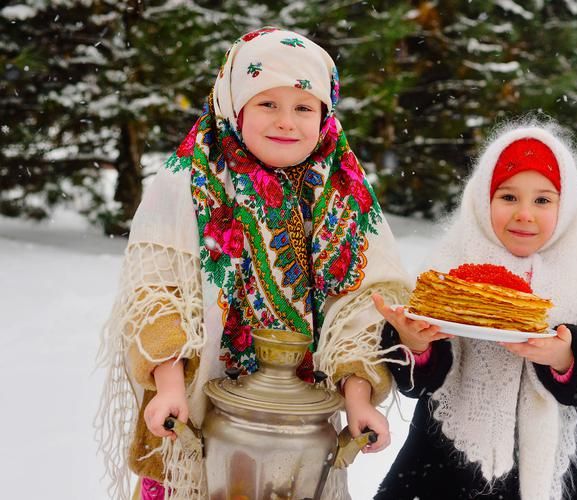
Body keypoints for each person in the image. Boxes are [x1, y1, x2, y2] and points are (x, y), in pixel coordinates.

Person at [95, 27, 410, 500]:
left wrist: (360, 396)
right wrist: (169, 384)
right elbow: (157, 292)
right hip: (191, 427)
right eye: (267, 103)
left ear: (325, 115)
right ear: (235, 104)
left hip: (298, 435)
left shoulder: (342, 188)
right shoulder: (189, 179)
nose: (286, 121)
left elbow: (365, 304)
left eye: (304, 107)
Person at [373, 120, 577, 499]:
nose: (524, 213)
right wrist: (413, 343)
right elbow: (416, 382)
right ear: (483, 198)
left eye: (542, 200)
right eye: (508, 197)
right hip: (444, 471)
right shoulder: (451, 263)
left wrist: (566, 355)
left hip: (559, 474)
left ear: (566, 204)